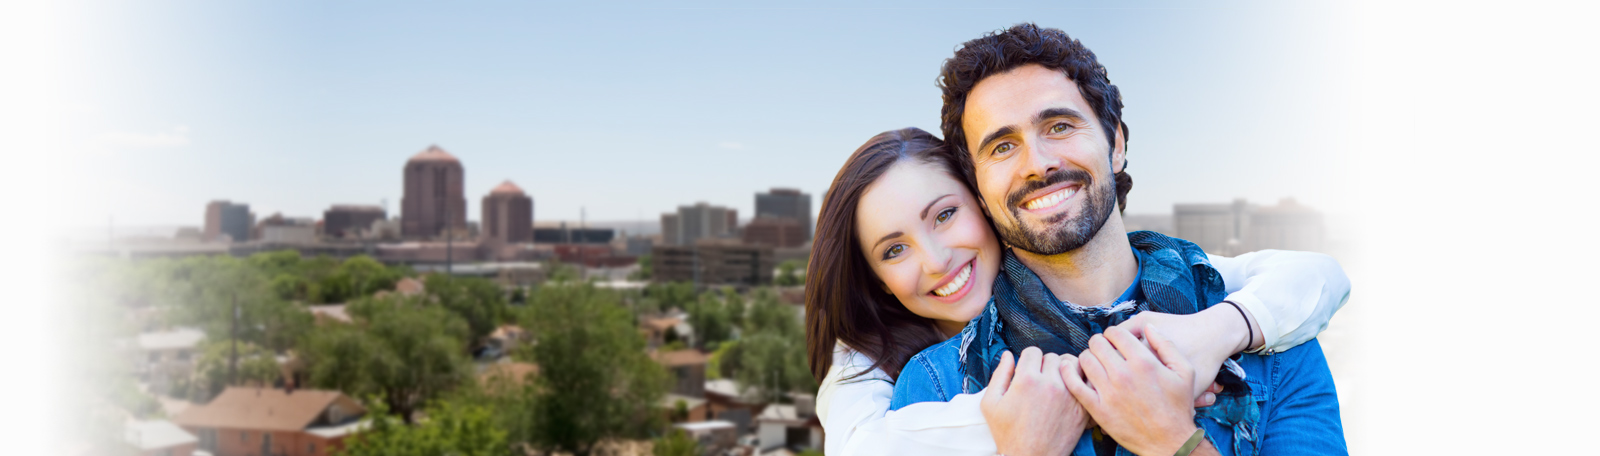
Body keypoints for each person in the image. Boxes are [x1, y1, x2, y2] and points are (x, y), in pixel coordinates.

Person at [887, 23, 1346, 456]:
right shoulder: (936, 385)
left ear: (1117, 145)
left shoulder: (1271, 333)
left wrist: (1172, 441)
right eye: (1002, 147)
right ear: (980, 193)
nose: (1037, 163)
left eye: (1059, 126)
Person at [807, 129, 1348, 453]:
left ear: (985, 199)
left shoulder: (1198, 293)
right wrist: (1077, 407)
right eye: (893, 250)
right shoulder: (898, 377)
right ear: (875, 278)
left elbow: (1310, 276)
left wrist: (1214, 336)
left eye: (945, 215)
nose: (935, 259)